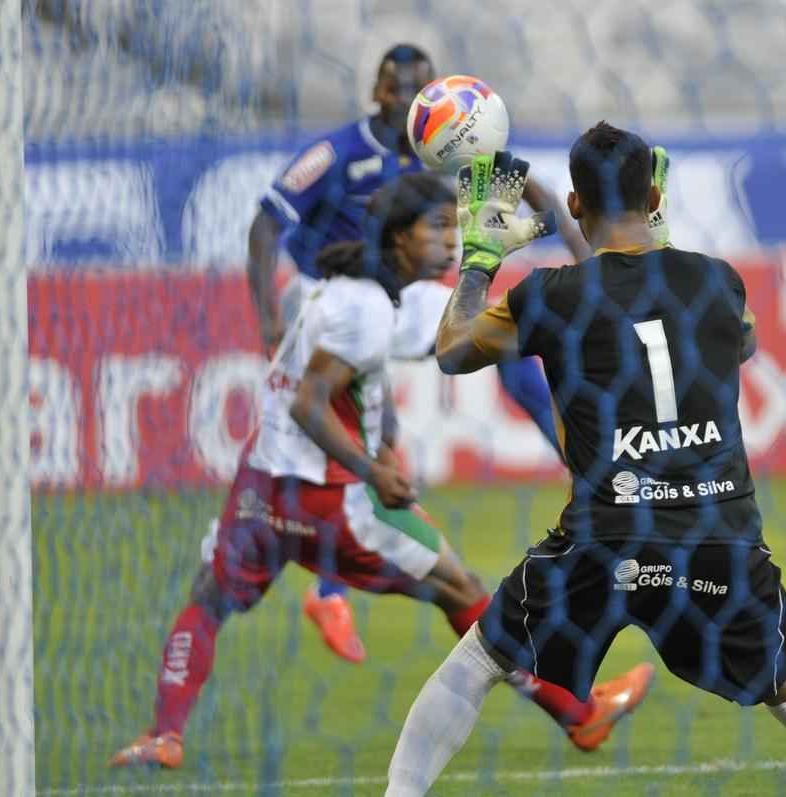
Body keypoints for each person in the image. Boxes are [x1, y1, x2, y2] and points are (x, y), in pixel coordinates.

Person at [383, 128, 786, 796]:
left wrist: (482, 259)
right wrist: (662, 243)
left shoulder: (553, 295)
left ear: (573, 206)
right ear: (654, 194)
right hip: (717, 536)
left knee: (476, 663)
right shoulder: (719, 281)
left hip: (604, 542)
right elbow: (742, 343)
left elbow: (454, 349)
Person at [108, 173, 651, 770]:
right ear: (397, 238)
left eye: (453, 226)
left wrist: (513, 218)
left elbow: (369, 370)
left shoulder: (332, 291)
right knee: (463, 589)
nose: (450, 240)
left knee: (208, 599)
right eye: (438, 228)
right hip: (333, 501)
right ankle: (580, 715)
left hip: (260, 488)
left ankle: (165, 734)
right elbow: (310, 402)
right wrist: (375, 467)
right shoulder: (369, 307)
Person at [248, 43, 589, 661]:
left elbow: (545, 209)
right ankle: (330, 584)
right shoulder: (339, 153)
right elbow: (266, 223)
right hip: (333, 299)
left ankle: (584, 476)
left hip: (404, 297)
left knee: (510, 341)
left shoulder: (455, 153)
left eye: (421, 89)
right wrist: (272, 319)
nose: (408, 98)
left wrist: (589, 269)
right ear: (377, 94)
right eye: (397, 87)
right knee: (366, 427)